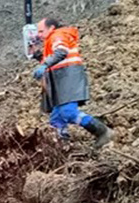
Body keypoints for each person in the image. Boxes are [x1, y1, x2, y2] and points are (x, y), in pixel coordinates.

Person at [32, 17, 113, 148]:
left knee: (67, 112)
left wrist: (44, 65)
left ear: (51, 28)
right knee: (56, 117)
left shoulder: (57, 35)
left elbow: (61, 52)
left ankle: (102, 131)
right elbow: (54, 60)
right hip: (62, 79)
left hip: (68, 77)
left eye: (41, 31)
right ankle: (62, 147)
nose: (39, 35)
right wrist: (39, 57)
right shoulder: (52, 40)